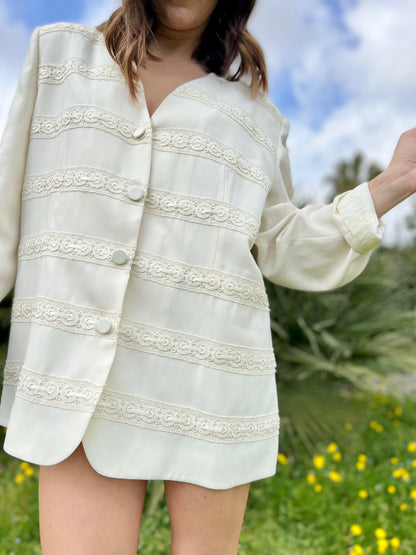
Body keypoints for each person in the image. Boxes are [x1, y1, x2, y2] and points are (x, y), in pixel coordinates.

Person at [0, 1, 415, 554]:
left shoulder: (256, 118)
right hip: (80, 383)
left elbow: (282, 246)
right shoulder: (58, 58)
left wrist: (395, 182)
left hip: (212, 382)